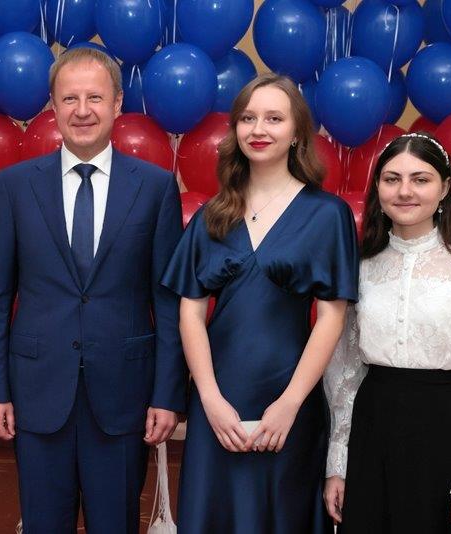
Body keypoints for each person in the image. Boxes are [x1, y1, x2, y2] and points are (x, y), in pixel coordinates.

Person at [0, 47, 187, 534]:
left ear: (117, 104)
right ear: (53, 105)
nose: (82, 110)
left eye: (95, 97)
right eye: (70, 98)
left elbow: (167, 302)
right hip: (37, 391)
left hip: (124, 394)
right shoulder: (14, 186)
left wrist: (167, 394)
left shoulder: (155, 188)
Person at [160, 73, 358, 533]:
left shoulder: (327, 214)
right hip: (218, 401)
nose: (258, 129)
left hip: (290, 400)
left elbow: (332, 317)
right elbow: (190, 312)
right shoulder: (212, 215)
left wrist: (290, 403)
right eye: (247, 118)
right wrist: (209, 399)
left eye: (273, 118)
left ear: (297, 133)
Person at [323, 132, 451, 534]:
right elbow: (344, 372)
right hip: (372, 429)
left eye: (420, 179)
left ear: (444, 188)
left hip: (447, 430)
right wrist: (338, 463)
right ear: (378, 188)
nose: (404, 191)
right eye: (392, 179)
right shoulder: (359, 268)